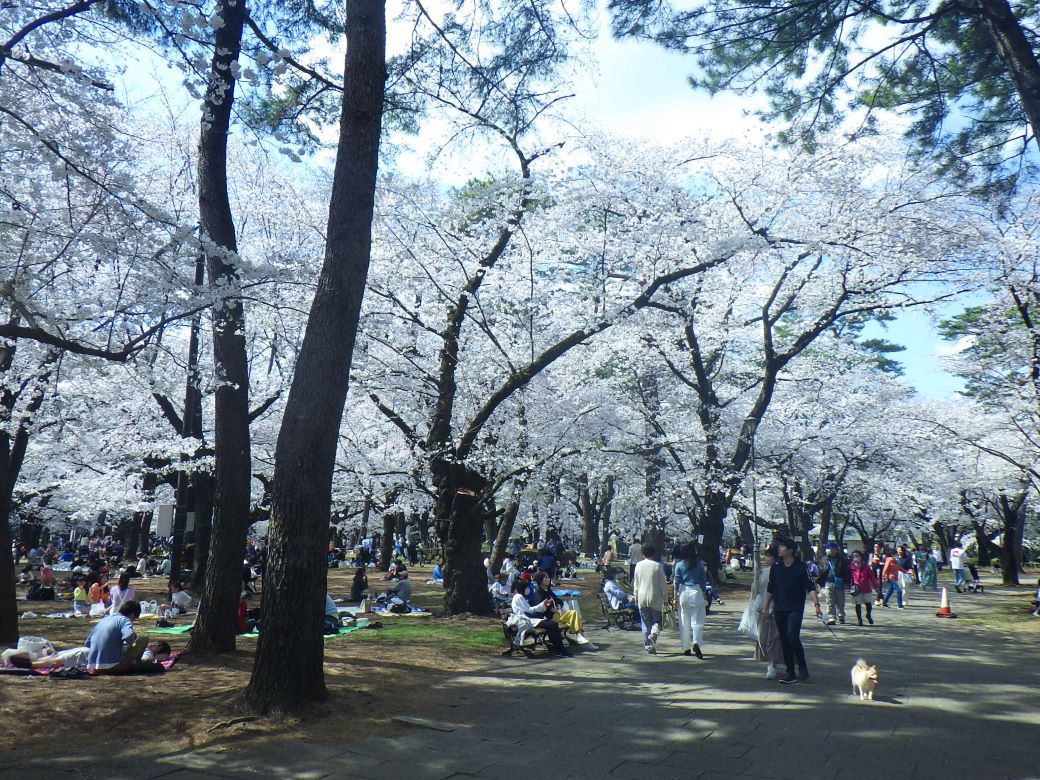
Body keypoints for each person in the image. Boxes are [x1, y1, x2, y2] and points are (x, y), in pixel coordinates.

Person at [763, 536, 823, 684]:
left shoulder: (801, 567)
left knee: (792, 636)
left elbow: (810, 587)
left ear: (790, 550)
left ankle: (802, 666)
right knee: (784, 639)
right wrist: (766, 607)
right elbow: (771, 588)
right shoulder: (776, 566)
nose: (779, 549)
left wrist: (817, 606)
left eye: (782, 547)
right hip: (779, 608)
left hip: (795, 608)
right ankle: (790, 671)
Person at [506, 579, 570, 657]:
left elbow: (530, 610)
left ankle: (559, 648)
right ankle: (559, 650)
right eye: (527, 587)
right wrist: (542, 605)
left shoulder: (520, 597)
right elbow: (529, 610)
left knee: (552, 624)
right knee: (551, 624)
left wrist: (543, 605)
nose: (528, 589)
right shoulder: (519, 597)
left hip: (529, 620)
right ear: (523, 588)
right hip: (525, 621)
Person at [85, 601, 149, 673]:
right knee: (144, 638)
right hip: (111, 666)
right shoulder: (124, 620)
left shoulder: (104, 620)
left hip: (93, 666)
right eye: (134, 618)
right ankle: (135, 663)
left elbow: (87, 643)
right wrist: (132, 643)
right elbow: (128, 636)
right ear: (132, 614)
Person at [751, 546, 784, 678]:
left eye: (769, 556)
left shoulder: (776, 572)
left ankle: (772, 665)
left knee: (773, 638)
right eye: (766, 555)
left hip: (773, 609)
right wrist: (756, 578)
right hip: (764, 609)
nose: (766, 558)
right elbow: (755, 590)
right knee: (767, 638)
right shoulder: (763, 572)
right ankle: (771, 663)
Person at [530, 571, 590, 644]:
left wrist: (558, 607)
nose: (548, 579)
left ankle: (580, 636)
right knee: (572, 615)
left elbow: (557, 600)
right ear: (541, 580)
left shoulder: (548, 590)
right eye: (546, 577)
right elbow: (544, 608)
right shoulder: (539, 592)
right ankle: (580, 636)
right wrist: (556, 611)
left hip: (557, 613)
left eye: (548, 577)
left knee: (573, 615)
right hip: (549, 617)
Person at [673, 542, 709, 658]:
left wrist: (675, 596)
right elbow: (703, 581)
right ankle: (696, 642)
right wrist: (704, 594)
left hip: (683, 591)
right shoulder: (699, 565)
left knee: (684, 620)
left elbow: (676, 581)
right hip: (696, 591)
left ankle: (686, 648)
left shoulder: (679, 565)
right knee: (697, 621)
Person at [632, 543, 667, 654]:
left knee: (645, 622)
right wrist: (666, 598)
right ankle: (654, 635)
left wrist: (636, 595)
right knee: (657, 620)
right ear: (653, 553)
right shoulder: (658, 566)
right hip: (655, 597)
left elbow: (636, 583)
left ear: (643, 553)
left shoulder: (638, 565)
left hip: (642, 597)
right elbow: (663, 584)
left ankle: (647, 645)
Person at [819, 541, 849, 625]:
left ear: (835, 549)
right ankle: (831, 618)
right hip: (828, 582)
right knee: (829, 601)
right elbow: (821, 571)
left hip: (839, 582)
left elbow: (846, 572)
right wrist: (820, 584)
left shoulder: (843, 560)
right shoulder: (824, 558)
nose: (827, 550)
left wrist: (846, 582)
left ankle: (841, 616)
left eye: (829, 548)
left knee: (840, 601)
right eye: (827, 548)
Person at [848, 551, 879, 625]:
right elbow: (847, 576)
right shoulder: (851, 566)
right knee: (857, 604)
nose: (855, 558)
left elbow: (872, 577)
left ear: (861, 557)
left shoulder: (866, 566)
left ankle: (868, 615)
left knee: (868, 603)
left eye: (857, 556)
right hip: (856, 588)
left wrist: (876, 587)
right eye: (854, 556)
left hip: (866, 588)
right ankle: (859, 620)